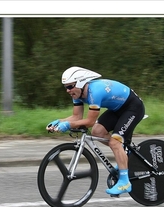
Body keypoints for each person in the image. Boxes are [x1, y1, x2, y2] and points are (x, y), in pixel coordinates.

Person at [46, 66, 145, 195]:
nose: (67, 90)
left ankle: (125, 182)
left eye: (70, 86)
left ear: (80, 82)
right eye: (65, 87)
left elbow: (89, 122)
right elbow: (77, 117)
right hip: (117, 109)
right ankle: (124, 154)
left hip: (133, 107)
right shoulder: (77, 93)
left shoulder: (95, 92)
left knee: (115, 142)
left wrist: (69, 125)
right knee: (97, 132)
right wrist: (60, 121)